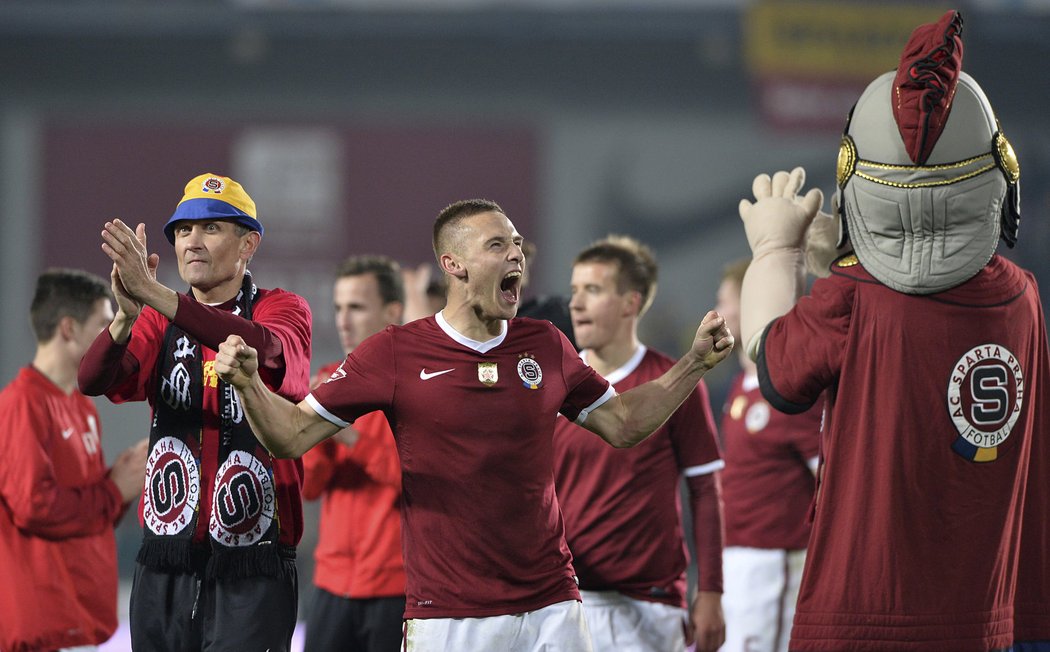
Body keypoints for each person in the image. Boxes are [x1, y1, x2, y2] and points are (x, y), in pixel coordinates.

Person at [213, 198, 734, 652]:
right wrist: (249, 385)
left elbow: (622, 423)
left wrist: (693, 364)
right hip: (448, 614)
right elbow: (290, 436)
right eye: (497, 245)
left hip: (551, 604)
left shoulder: (546, 344)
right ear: (453, 265)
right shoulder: (396, 352)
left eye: (517, 244)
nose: (516, 255)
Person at [735, 11, 1049, 649]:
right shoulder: (1022, 299)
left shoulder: (850, 299)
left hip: (861, 618)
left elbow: (773, 367)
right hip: (986, 618)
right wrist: (840, 264)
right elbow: (914, 327)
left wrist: (776, 251)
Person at [77, 173, 313, 651]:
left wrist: (155, 295)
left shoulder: (282, 308)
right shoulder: (154, 321)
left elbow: (267, 348)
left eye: (211, 228)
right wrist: (125, 316)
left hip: (254, 563)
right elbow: (93, 380)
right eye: (183, 231)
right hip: (166, 561)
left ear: (249, 244)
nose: (193, 242)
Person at [552, 235, 725, 652]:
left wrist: (712, 593)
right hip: (564, 603)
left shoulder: (673, 382)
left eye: (592, 290)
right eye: (574, 291)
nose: (576, 303)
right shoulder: (554, 383)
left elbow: (705, 489)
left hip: (649, 604)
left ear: (631, 303)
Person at [0, 268, 147, 652]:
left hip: (79, 620)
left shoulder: (81, 407)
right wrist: (114, 489)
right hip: (46, 624)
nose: (113, 337)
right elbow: (34, 506)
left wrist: (119, 483)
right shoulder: (23, 404)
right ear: (68, 329)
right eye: (103, 324)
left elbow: (87, 515)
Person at [713, 257, 822, 652]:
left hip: (775, 560)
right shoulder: (741, 382)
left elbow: (828, 481)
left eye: (726, 301)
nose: (718, 313)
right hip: (738, 556)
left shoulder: (789, 389)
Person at [302, 255, 406, 652]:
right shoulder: (328, 380)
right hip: (331, 583)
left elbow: (418, 478)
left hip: (395, 587)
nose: (343, 320)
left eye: (357, 307)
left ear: (392, 312)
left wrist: (350, 439)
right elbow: (309, 487)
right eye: (339, 308)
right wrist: (318, 439)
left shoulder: (415, 387)